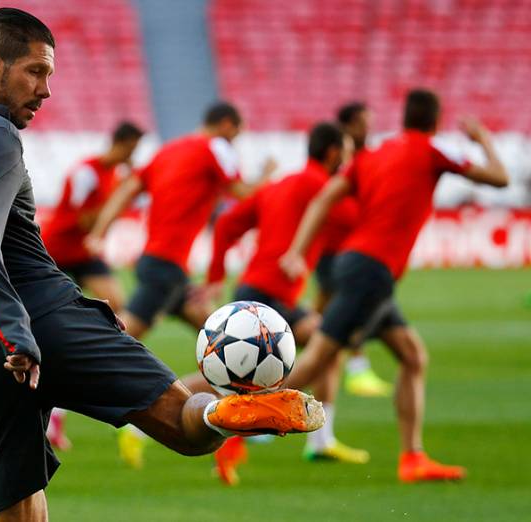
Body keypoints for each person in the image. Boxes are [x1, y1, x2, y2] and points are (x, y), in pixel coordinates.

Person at [0, 8, 324, 520]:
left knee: (19, 514)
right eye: (36, 71)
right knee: (185, 426)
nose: (46, 89)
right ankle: (240, 406)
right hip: (39, 325)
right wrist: (16, 331)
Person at [280, 88, 508, 483]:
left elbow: (323, 200)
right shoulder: (432, 150)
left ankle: (412, 458)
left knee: (412, 356)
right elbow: (500, 179)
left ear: (403, 117)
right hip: (371, 271)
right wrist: (483, 139)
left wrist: (297, 250)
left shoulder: (373, 156)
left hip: (365, 269)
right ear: (435, 120)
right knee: (318, 358)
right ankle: (239, 413)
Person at [85, 102, 273, 467]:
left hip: (160, 265)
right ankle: (66, 405)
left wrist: (99, 230)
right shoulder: (215, 146)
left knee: (219, 338)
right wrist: (267, 175)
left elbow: (126, 190)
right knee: (116, 339)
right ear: (225, 125)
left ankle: (247, 414)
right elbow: (245, 194)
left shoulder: (168, 150)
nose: (236, 140)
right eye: (237, 132)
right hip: (166, 267)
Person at [204, 123, 369, 485]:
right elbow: (359, 222)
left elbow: (227, 223)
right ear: (332, 153)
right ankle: (261, 418)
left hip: (256, 290)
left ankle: (317, 440)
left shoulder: (280, 185)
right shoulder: (322, 188)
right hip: (270, 298)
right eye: (346, 150)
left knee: (323, 348)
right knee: (320, 348)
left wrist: (215, 275)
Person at [40, 120, 144, 450]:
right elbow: (83, 219)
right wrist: (118, 199)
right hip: (57, 251)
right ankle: (55, 396)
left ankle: (79, 377)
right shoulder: (86, 172)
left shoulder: (112, 176)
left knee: (118, 307)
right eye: (133, 148)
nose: (134, 154)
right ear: (124, 143)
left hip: (84, 252)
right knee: (49, 322)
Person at [325, 102, 393, 398]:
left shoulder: (366, 157)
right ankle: (356, 369)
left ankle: (355, 368)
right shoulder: (340, 155)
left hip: (351, 248)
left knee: (328, 318)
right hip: (336, 247)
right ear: (351, 125)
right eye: (366, 121)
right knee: (336, 319)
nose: (371, 126)